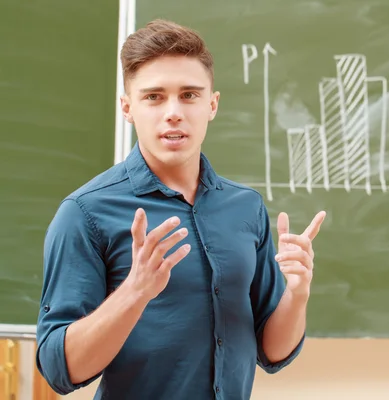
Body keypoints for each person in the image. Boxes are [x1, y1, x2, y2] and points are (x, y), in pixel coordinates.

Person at [35, 19, 326, 399]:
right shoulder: (85, 212)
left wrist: (298, 292)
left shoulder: (245, 207)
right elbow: (59, 369)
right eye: (154, 97)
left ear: (212, 104)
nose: (173, 112)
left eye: (189, 95)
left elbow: (272, 351)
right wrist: (135, 292)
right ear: (127, 107)